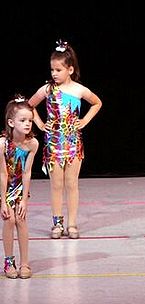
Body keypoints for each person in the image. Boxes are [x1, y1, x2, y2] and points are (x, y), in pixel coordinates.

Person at [29, 39, 102, 239]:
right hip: (53, 143)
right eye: (52, 69)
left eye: (58, 70)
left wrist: (85, 120)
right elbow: (30, 105)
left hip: (73, 142)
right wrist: (40, 124)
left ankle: (72, 224)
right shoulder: (47, 89)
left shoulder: (79, 89)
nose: (54, 73)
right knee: (56, 185)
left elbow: (97, 103)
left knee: (72, 184)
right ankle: (57, 223)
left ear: (70, 69)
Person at [1, 95, 39, 279]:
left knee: (21, 219)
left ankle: (25, 263)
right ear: (11, 122)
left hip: (19, 186)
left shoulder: (32, 144)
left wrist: (24, 200)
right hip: (4, 186)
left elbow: (26, 173)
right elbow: (3, 174)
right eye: (22, 120)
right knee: (9, 220)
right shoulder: (2, 144)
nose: (27, 124)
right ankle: (8, 261)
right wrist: (3, 201)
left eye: (30, 120)